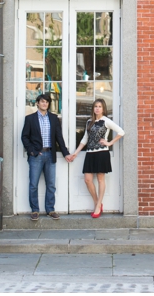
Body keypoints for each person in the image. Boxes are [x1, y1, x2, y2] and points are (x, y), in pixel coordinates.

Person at [66, 98, 124, 218]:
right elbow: (84, 140)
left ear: (103, 109)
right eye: (95, 106)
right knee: (87, 179)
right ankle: (97, 201)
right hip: (90, 154)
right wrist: (75, 153)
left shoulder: (106, 121)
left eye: (100, 106)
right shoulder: (89, 122)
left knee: (100, 179)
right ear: (93, 108)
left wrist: (109, 143)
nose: (97, 108)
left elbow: (121, 132)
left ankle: (98, 206)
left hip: (102, 153)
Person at [21, 93, 70, 221]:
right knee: (33, 184)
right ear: (37, 103)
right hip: (37, 155)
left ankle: (50, 209)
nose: (45, 104)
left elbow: (59, 137)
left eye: (47, 102)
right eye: (42, 102)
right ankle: (35, 210)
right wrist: (32, 151)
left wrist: (65, 153)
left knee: (51, 184)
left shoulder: (54, 118)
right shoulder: (30, 119)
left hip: (50, 154)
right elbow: (24, 137)